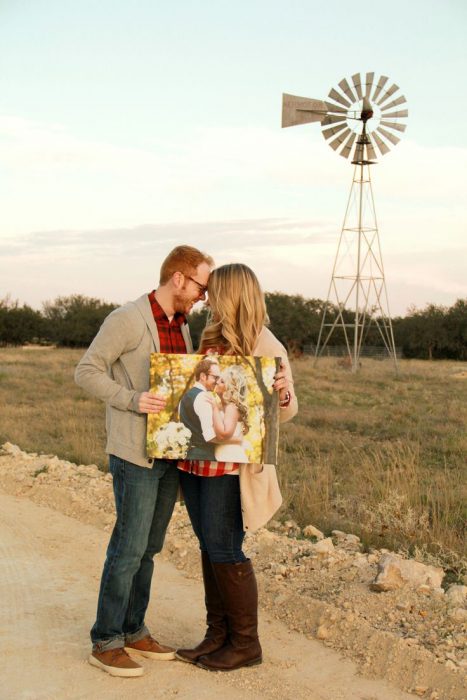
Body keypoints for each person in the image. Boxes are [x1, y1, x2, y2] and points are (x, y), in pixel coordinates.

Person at [74, 245, 214, 678]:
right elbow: (86, 370)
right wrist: (133, 400)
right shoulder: (127, 319)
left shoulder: (184, 325)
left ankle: (134, 629)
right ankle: (106, 639)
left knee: (150, 549)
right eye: (201, 286)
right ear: (179, 278)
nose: (203, 296)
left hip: (168, 452)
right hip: (134, 454)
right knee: (128, 547)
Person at [175, 263, 297, 671]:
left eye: (213, 291)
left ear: (231, 295)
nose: (206, 298)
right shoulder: (209, 337)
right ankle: (217, 635)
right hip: (198, 459)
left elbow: (287, 411)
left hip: (232, 467)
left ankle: (246, 643)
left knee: (226, 547)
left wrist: (282, 393)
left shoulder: (266, 344)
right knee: (209, 545)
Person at [179, 357, 221, 461]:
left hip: (188, 456)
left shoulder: (184, 398)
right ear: (203, 376)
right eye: (215, 377)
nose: (217, 381)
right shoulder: (203, 397)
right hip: (205, 457)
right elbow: (210, 436)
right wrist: (234, 441)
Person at [209, 365, 250, 463]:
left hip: (231, 457)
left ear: (229, 388)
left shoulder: (231, 408)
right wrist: (238, 439)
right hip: (220, 456)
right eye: (218, 379)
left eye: (222, 381)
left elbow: (223, 435)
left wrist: (206, 439)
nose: (217, 382)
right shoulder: (219, 405)